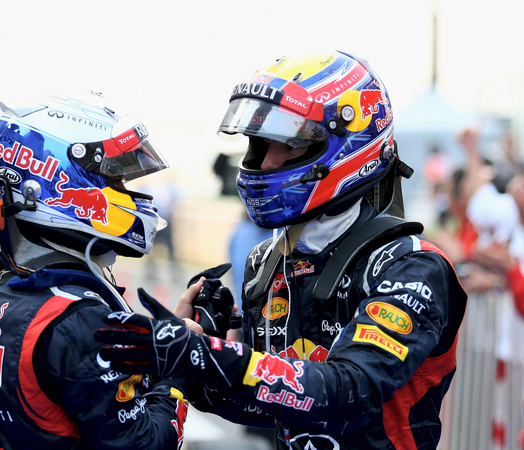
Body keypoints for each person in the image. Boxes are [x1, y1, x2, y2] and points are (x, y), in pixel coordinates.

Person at [95, 51, 467, 450]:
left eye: (289, 145)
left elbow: (347, 391)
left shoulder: (410, 266)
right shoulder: (267, 263)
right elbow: (272, 407)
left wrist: (211, 356)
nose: (267, 162)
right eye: (260, 144)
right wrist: (188, 361)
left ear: (347, 146)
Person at [0, 93, 189, 450]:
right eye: (116, 181)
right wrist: (178, 367)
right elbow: (146, 444)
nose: (126, 193)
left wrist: (151, 347)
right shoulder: (80, 319)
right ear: (52, 180)